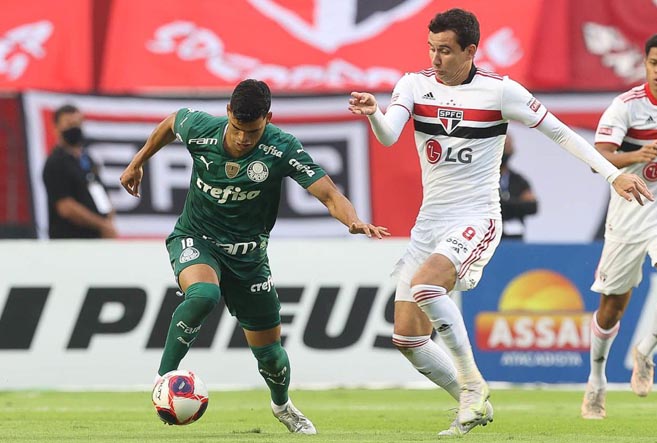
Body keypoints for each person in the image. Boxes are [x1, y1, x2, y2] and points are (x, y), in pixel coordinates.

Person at [348, 8, 653, 437]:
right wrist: (373, 114)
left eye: (445, 50)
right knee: (408, 339)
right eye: (431, 48)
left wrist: (612, 174)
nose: (435, 59)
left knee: (426, 286)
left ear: (470, 50)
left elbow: (561, 133)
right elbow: (388, 135)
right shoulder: (413, 85)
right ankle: (474, 402)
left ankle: (473, 386)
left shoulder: (500, 91)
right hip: (429, 222)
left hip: (476, 217)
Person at [119, 79, 389, 434]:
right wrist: (137, 162)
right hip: (197, 238)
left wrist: (352, 220)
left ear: (268, 119)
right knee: (204, 295)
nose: (244, 138)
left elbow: (329, 195)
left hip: (249, 257)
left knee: (271, 356)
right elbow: (172, 122)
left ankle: (282, 406)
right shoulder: (201, 129)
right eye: (237, 128)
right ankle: (163, 379)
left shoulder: (282, 147)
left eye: (253, 131)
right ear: (228, 112)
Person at [581, 34, 657, 420]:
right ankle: (596, 380)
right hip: (631, 209)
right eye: (655, 64)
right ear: (645, 63)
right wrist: (636, 154)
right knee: (611, 307)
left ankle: (645, 349)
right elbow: (598, 157)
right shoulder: (627, 106)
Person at [42, 104, 117, 239]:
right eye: (69, 124)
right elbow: (66, 207)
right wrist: (101, 225)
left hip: (96, 239)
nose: (74, 128)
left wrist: (109, 220)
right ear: (56, 128)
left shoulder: (87, 160)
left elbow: (98, 191)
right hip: (70, 241)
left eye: (78, 123)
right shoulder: (55, 163)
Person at [499, 134, 538, 240]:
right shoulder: (482, 179)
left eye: (508, 147)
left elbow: (532, 207)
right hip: (486, 238)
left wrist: (503, 203)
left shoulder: (519, 180)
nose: (505, 151)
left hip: (514, 239)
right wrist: (517, 203)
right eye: (503, 147)